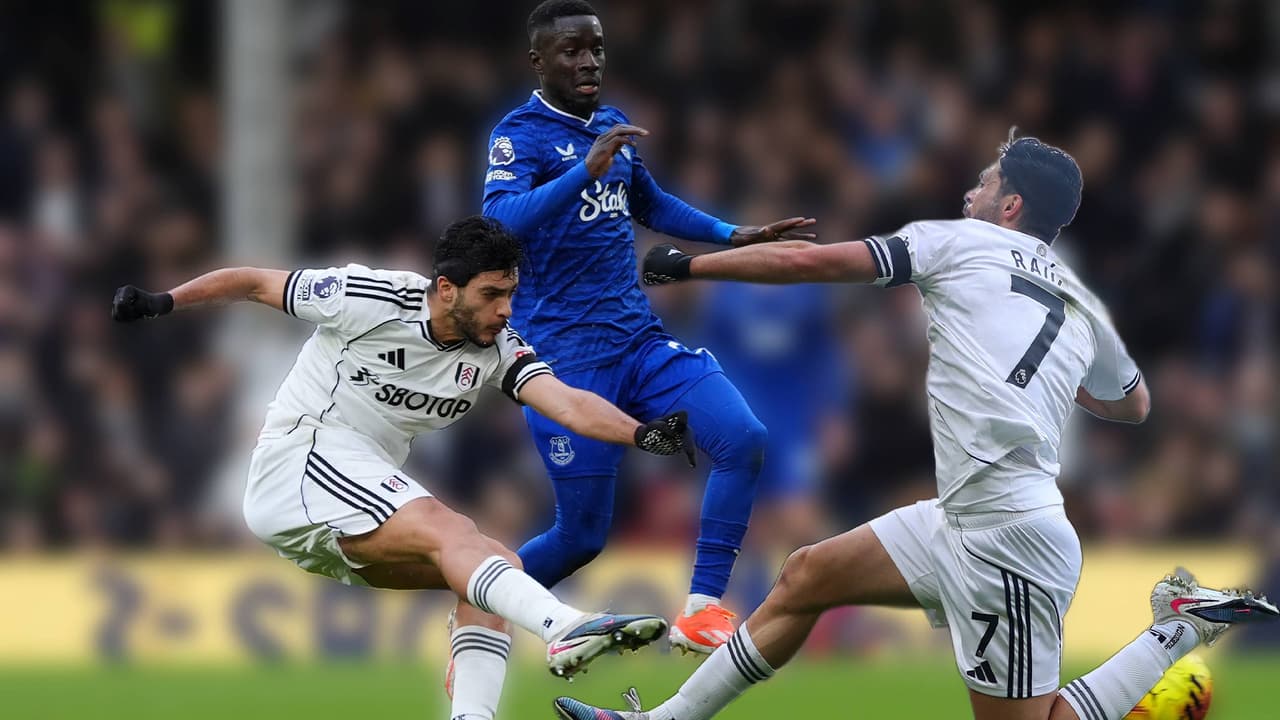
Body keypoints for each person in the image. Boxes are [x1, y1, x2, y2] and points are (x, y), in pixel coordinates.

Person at [554, 135, 1279, 720]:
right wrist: (1048, 379)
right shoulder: (1083, 303)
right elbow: (1134, 403)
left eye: (988, 180)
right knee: (807, 575)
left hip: (1009, 536)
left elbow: (811, 262)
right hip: (963, 518)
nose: (973, 188)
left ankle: (1177, 628)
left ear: (1011, 205)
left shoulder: (955, 243)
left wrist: (689, 267)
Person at [110, 216, 695, 719]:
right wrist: (164, 302)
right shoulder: (369, 296)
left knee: (497, 570)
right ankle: (565, 628)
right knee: (454, 533)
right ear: (446, 288)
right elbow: (255, 283)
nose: (505, 309)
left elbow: (565, 401)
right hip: (302, 458)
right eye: (492, 294)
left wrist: (643, 433)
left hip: (347, 503)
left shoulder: (495, 351)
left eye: (511, 294)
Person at [482, 0, 816, 655]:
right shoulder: (518, 136)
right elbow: (499, 224)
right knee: (581, 537)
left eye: (596, 49)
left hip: (639, 343)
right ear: (537, 61)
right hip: (566, 367)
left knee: (743, 437)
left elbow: (651, 203)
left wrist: (731, 233)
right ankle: (478, 599)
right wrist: (584, 172)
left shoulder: (610, 127)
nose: (588, 62)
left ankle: (701, 610)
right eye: (572, 50)